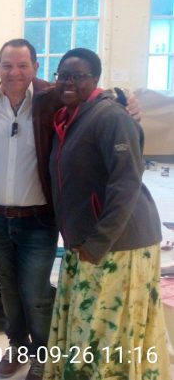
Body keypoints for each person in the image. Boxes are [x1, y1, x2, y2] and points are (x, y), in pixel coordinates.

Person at [0, 39, 140, 380]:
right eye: (7, 65)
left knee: (36, 292)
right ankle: (17, 345)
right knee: (8, 289)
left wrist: (122, 98)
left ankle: (43, 354)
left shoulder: (51, 98)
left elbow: (88, 94)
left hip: (38, 219)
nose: (14, 73)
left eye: (23, 65)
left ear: (36, 67)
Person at [44, 48, 168, 379]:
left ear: (96, 79)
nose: (68, 82)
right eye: (63, 75)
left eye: (78, 76)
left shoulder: (111, 117)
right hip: (86, 242)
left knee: (108, 328)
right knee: (89, 325)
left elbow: (126, 183)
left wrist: (99, 241)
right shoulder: (68, 117)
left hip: (118, 244)